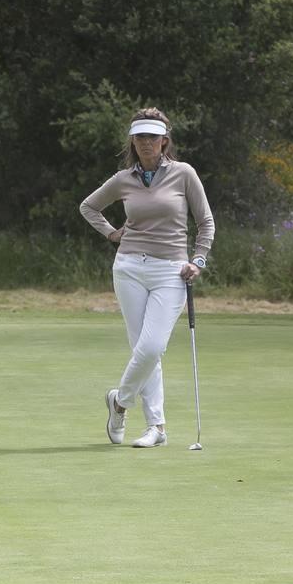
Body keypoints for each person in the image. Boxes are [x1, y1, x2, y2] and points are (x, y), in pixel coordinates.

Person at [79, 107, 214, 448]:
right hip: (128, 269)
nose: (146, 143)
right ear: (133, 141)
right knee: (143, 349)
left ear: (164, 141)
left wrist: (198, 259)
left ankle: (120, 402)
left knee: (153, 346)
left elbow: (206, 222)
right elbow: (88, 207)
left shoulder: (184, 174)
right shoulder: (124, 179)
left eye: (152, 137)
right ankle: (157, 428)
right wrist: (112, 234)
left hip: (171, 269)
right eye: (140, 137)